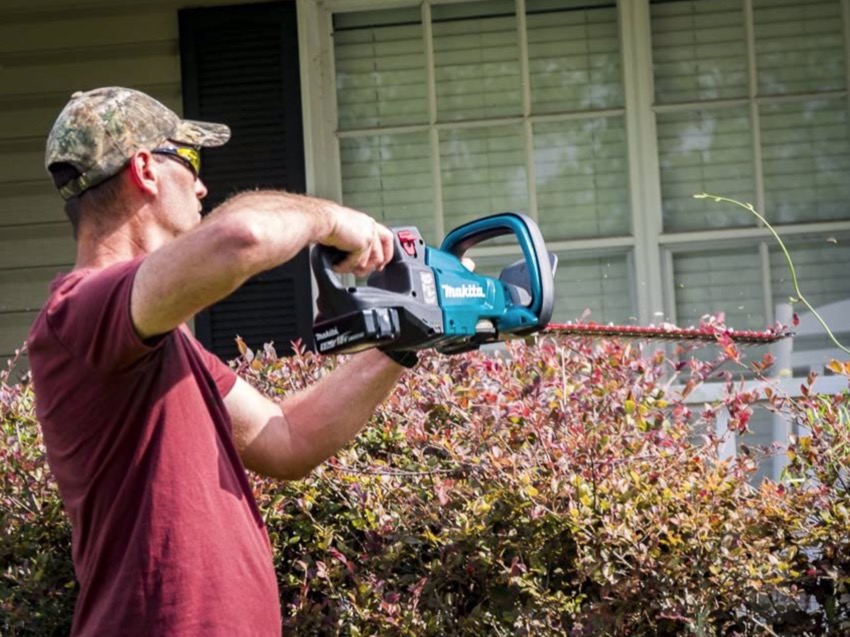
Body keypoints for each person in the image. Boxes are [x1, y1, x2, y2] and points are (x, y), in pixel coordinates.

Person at [27, 87, 416, 636]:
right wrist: (331, 218)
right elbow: (242, 235)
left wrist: (404, 338)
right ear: (145, 169)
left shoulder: (160, 345)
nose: (203, 184)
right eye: (191, 162)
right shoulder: (80, 314)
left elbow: (286, 436)